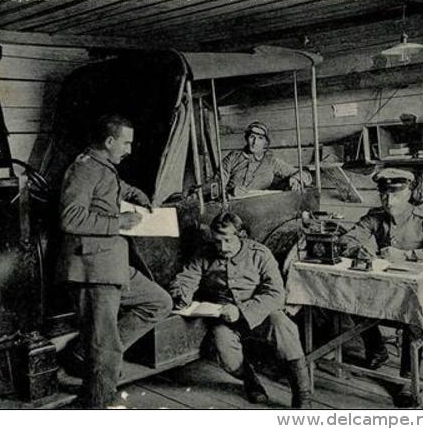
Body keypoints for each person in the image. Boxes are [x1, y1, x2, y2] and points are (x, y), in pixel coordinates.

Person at [58, 114, 173, 408]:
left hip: (113, 264)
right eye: (126, 143)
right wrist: (118, 222)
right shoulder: (83, 169)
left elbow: (117, 188)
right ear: (109, 142)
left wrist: (140, 195)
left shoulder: (103, 167)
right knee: (105, 346)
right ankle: (97, 405)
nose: (129, 149)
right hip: (94, 269)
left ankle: (85, 354)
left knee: (159, 302)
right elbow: (70, 218)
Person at [169, 212, 311, 408]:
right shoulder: (206, 253)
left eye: (227, 241)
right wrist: (181, 295)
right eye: (218, 241)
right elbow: (187, 277)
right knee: (226, 355)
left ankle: (302, 394)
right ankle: (250, 380)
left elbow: (276, 293)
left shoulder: (259, 254)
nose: (222, 248)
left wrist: (242, 311)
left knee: (283, 326)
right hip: (223, 317)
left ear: (241, 235)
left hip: (260, 313)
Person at [340, 168, 423, 407]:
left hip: (415, 292)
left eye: (395, 194)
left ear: (409, 193)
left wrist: (407, 255)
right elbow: (347, 239)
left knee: (414, 312)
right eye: (383, 195)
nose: (389, 201)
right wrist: (356, 250)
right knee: (349, 296)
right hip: (385, 288)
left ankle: (407, 379)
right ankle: (377, 349)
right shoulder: (375, 217)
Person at [221, 121, 312, 196]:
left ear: (265, 143)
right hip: (231, 207)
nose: (255, 142)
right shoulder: (232, 158)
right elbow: (215, 186)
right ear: (246, 138)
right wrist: (229, 192)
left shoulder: (271, 161)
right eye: (252, 137)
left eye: (260, 138)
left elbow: (306, 175)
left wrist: (296, 179)